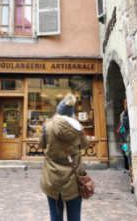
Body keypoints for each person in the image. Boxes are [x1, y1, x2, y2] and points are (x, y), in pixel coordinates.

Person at [39, 93, 88, 221]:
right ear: (71, 113)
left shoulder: (47, 126)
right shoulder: (78, 128)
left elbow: (40, 145)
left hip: (52, 178)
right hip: (73, 179)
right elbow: (85, 145)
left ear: (59, 112)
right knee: (74, 217)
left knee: (55, 217)